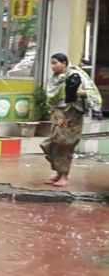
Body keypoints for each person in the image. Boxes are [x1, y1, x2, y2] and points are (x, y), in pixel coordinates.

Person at [40, 53, 102, 187]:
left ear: (64, 63)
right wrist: (56, 113)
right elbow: (51, 100)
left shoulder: (77, 75)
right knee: (53, 143)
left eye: (55, 63)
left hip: (73, 115)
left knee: (66, 144)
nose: (53, 66)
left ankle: (64, 176)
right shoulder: (55, 79)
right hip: (60, 116)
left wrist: (81, 94)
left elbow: (93, 93)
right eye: (51, 63)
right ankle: (58, 172)